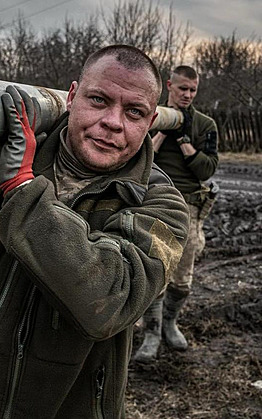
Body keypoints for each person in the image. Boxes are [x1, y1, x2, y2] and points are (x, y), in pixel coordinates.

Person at [0, 45, 189, 418]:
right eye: (98, 100)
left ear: (149, 123)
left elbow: (107, 303)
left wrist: (20, 188)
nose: (113, 122)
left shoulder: (161, 205)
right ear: (71, 97)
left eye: (133, 112)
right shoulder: (10, 160)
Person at [133, 66, 220, 363]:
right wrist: (158, 133)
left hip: (190, 206)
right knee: (156, 270)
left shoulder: (205, 125)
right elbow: (136, 159)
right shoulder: (152, 116)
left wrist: (184, 141)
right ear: (170, 85)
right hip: (155, 201)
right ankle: (152, 332)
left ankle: (170, 322)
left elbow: (207, 170)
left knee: (182, 278)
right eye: (183, 88)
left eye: (193, 90)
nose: (188, 95)